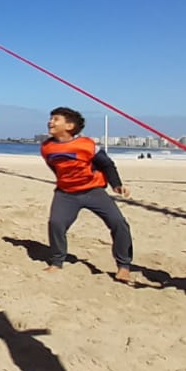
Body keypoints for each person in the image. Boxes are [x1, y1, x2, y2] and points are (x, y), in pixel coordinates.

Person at [41, 107, 132, 280]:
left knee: (118, 223)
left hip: (93, 191)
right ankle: (57, 261)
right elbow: (55, 167)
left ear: (69, 125)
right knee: (56, 223)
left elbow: (106, 164)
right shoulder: (46, 147)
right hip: (66, 193)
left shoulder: (87, 144)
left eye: (56, 119)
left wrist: (116, 185)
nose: (50, 122)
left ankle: (124, 266)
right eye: (50, 118)